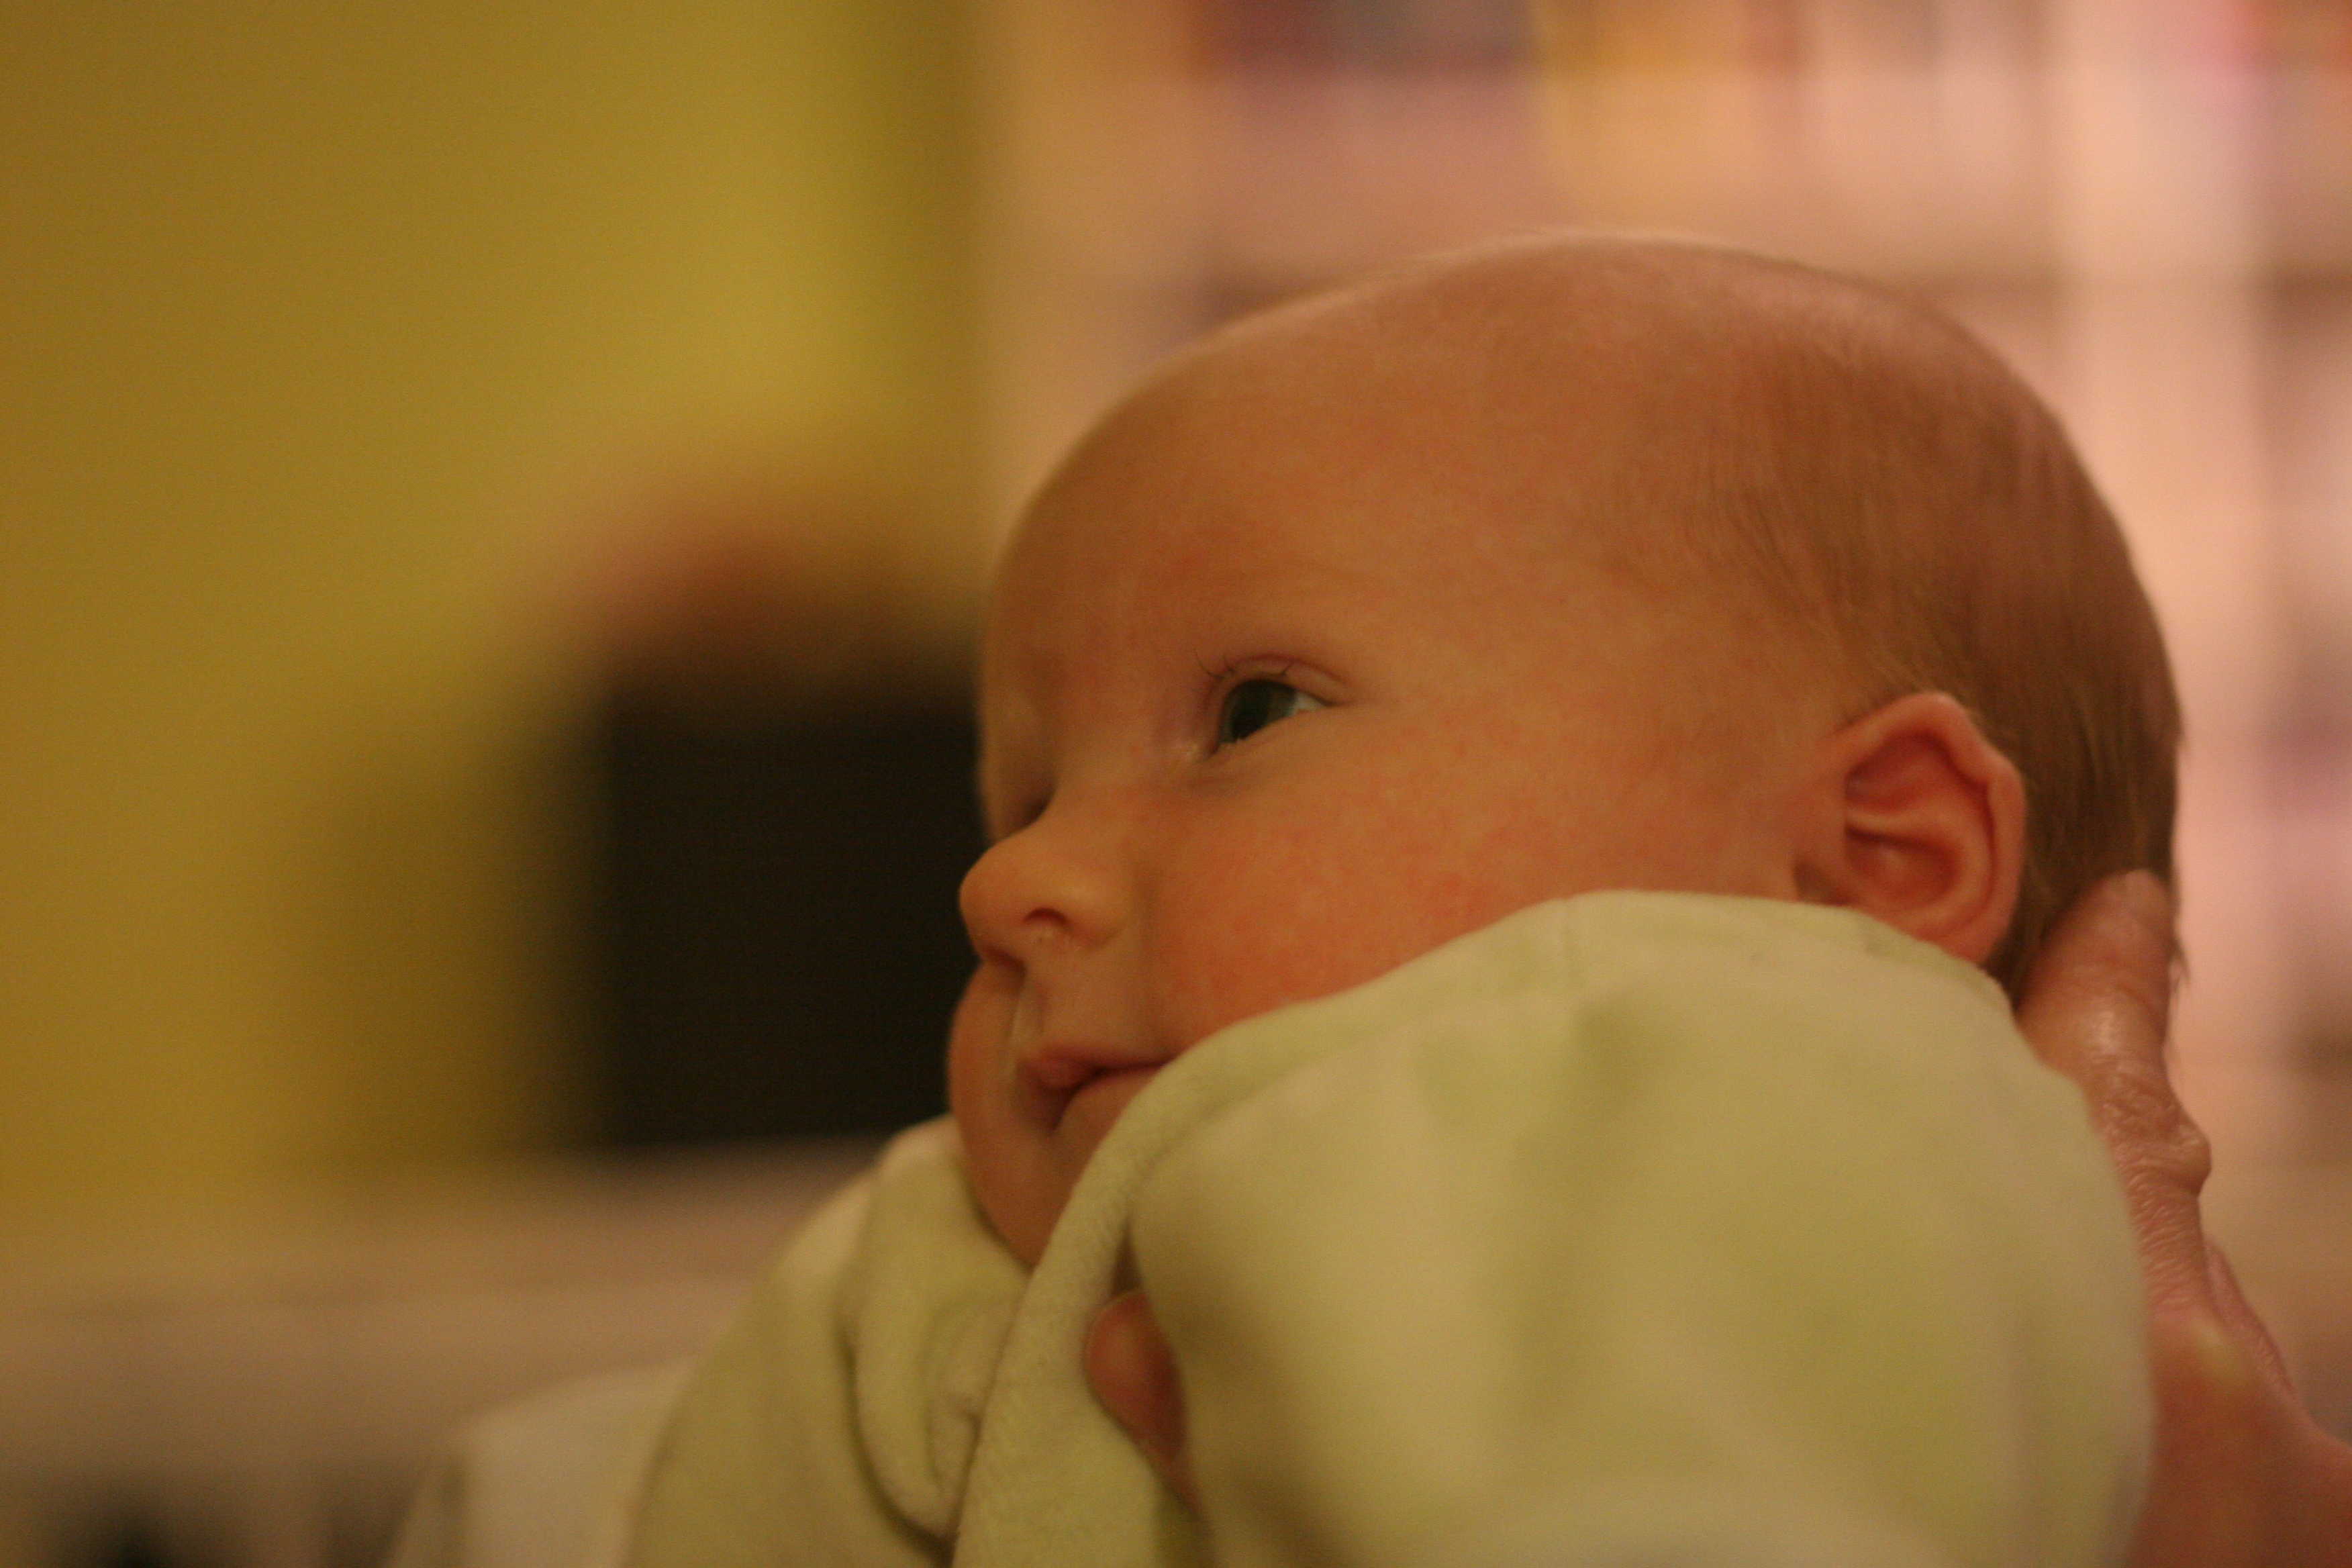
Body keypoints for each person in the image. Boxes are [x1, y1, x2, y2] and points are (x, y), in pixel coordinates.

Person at [390, 237, 2352, 1567]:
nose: (1007, 878)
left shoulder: (1685, 1084)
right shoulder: (981, 1250)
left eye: (1252, 712)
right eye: (1025, 795)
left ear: (1872, 864)